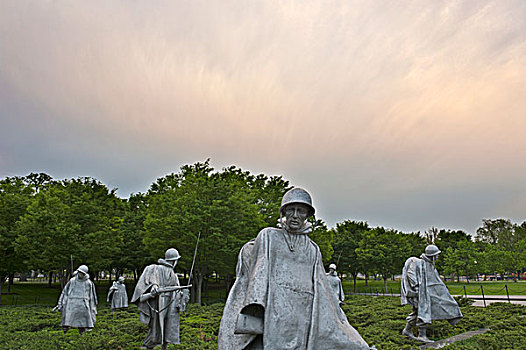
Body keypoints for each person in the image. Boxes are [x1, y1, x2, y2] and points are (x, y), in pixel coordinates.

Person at [218, 188, 370, 349]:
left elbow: (322, 288)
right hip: (274, 311)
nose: (296, 215)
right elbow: (258, 274)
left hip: (303, 314)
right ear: (284, 212)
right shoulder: (269, 236)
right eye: (291, 209)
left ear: (307, 215)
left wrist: (342, 326)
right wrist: (255, 307)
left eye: (301, 211)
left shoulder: (313, 249)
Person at [401, 244, 463, 343]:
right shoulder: (419, 263)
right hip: (420, 293)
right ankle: (421, 335)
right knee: (423, 312)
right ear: (432, 256)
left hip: (428, 293)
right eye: (436, 255)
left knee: (417, 312)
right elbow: (410, 274)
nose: (438, 257)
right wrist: (416, 288)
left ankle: (407, 331)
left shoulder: (431, 266)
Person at [131, 248, 190, 350]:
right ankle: (148, 346)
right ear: (174, 260)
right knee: (156, 327)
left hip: (170, 305)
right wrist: (154, 288)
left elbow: (176, 290)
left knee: (167, 326)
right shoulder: (154, 268)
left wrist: (183, 296)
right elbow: (150, 281)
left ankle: (164, 347)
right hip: (157, 304)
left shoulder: (173, 274)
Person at [54, 265, 98, 335]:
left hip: (83, 304)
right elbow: (65, 292)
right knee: (67, 321)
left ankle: (82, 335)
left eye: (82, 273)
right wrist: (61, 303)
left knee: (82, 322)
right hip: (71, 303)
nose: (80, 274)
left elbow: (92, 296)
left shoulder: (88, 283)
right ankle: (64, 334)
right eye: (80, 272)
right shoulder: (72, 281)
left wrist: (92, 308)